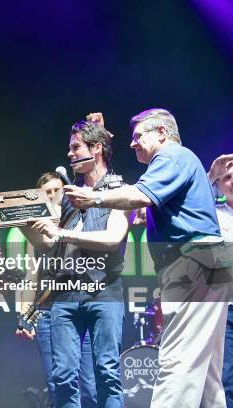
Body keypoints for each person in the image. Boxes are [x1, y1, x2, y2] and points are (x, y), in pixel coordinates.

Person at [65, 109, 229, 407]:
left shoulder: (171, 156)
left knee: (178, 360)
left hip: (193, 262)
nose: (132, 143)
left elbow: (140, 195)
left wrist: (95, 197)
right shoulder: (181, 161)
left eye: (139, 136)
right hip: (207, 263)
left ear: (162, 134)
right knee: (205, 370)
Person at [0, 115, 128, 407]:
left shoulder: (117, 189)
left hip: (104, 292)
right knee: (63, 375)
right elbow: (46, 243)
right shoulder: (66, 197)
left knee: (106, 371)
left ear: (97, 150)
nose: (69, 153)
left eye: (76, 147)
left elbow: (113, 239)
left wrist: (62, 232)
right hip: (65, 295)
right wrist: (17, 219)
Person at [17, 172, 97, 408]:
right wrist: (24, 317)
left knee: (90, 386)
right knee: (57, 385)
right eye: (47, 192)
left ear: (66, 190)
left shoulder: (80, 219)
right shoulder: (37, 231)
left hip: (80, 309)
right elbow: (32, 276)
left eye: (56, 189)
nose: (52, 195)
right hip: (48, 313)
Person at [208, 154, 233, 408]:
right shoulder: (212, 214)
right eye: (226, 177)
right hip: (226, 308)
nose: (232, 180)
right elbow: (193, 200)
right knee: (225, 377)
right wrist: (212, 174)